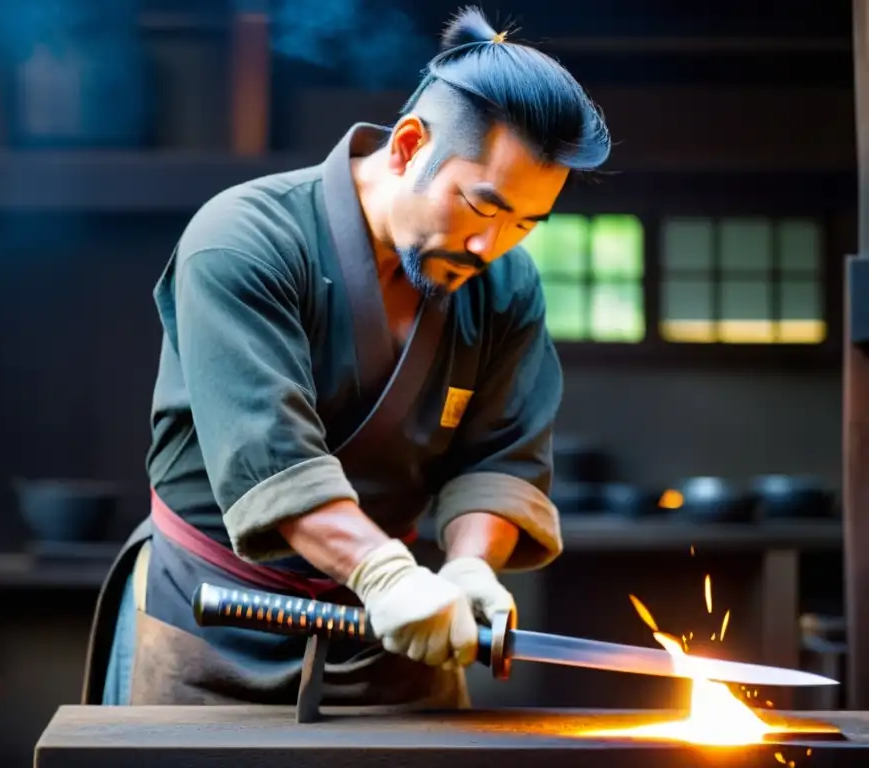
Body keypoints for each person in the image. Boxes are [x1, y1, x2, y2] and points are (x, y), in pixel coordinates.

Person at [81, 6, 611, 709]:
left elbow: (501, 456)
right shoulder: (243, 239)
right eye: (483, 209)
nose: (495, 246)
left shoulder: (506, 285)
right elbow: (273, 458)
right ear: (410, 146)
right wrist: (384, 573)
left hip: (406, 630)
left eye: (524, 223)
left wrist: (468, 567)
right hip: (214, 620)